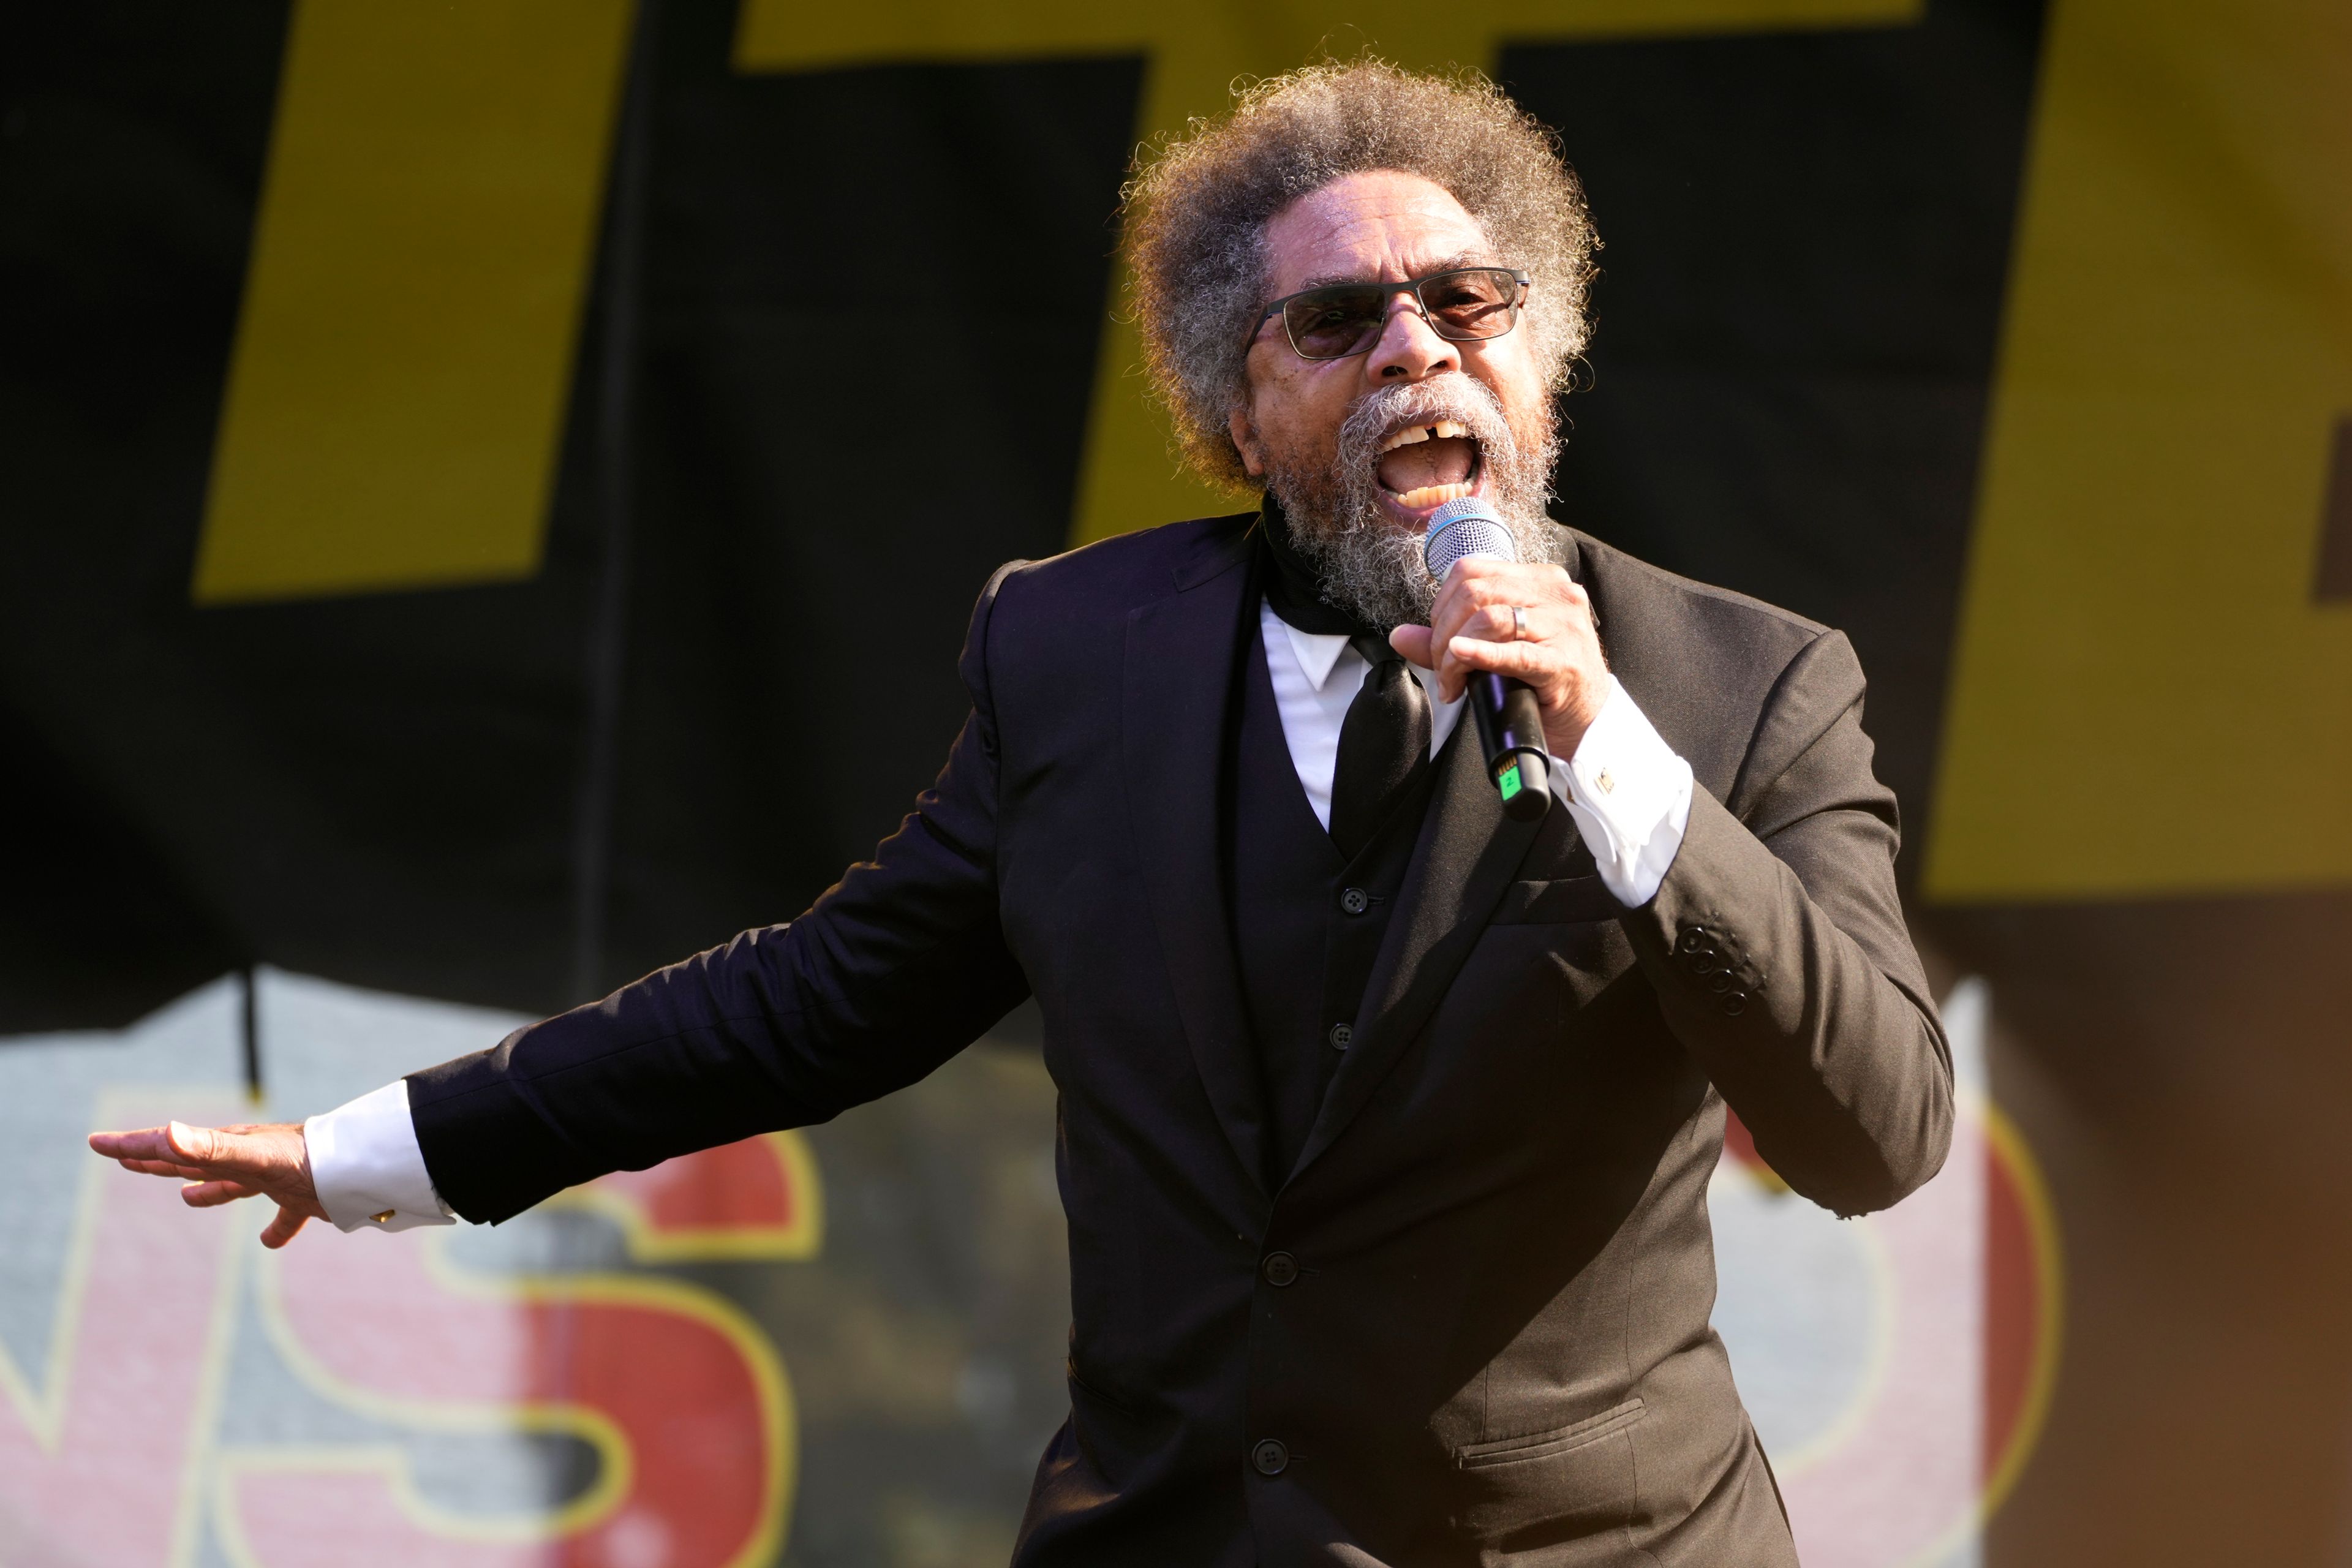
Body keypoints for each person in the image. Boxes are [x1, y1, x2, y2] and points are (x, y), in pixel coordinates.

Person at [94, 60, 1950, 1566]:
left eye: (1464, 301)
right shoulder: (1081, 654)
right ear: (1239, 407)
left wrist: (1611, 752)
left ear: (1538, 362)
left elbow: (1874, 1126)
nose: (1413, 346)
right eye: (1338, 318)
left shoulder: (1746, 687)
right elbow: (820, 999)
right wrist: (375, 1153)